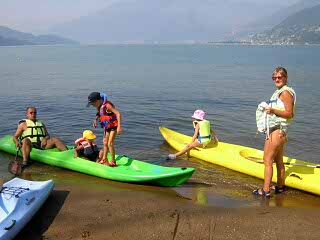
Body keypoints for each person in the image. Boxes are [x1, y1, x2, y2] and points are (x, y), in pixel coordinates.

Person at [253, 67, 296, 197]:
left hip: (277, 132)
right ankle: (280, 187)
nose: (277, 79)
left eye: (280, 77)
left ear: (286, 78)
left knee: (267, 160)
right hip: (281, 132)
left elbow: (289, 114)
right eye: (274, 78)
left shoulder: (285, 93)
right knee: (279, 161)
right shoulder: (282, 92)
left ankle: (265, 190)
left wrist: (273, 111)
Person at [87, 92, 123, 167]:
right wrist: (95, 120)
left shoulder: (107, 105)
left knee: (110, 143)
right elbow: (99, 113)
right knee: (105, 143)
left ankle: (113, 161)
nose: (93, 106)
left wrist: (119, 126)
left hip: (114, 126)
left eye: (93, 104)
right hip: (107, 127)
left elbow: (118, 114)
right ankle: (104, 159)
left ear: (98, 100)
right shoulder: (99, 106)